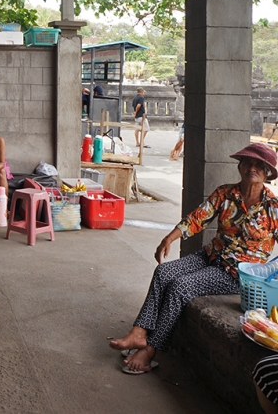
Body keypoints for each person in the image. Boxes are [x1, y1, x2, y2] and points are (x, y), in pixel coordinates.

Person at [109, 143, 278, 374]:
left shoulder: (273, 207)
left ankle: (151, 350)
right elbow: (197, 218)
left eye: (260, 165)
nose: (252, 168)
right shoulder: (226, 193)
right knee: (163, 272)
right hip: (210, 255)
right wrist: (169, 238)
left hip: (235, 273)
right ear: (240, 166)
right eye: (248, 162)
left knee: (181, 287)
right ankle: (139, 332)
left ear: (267, 172)